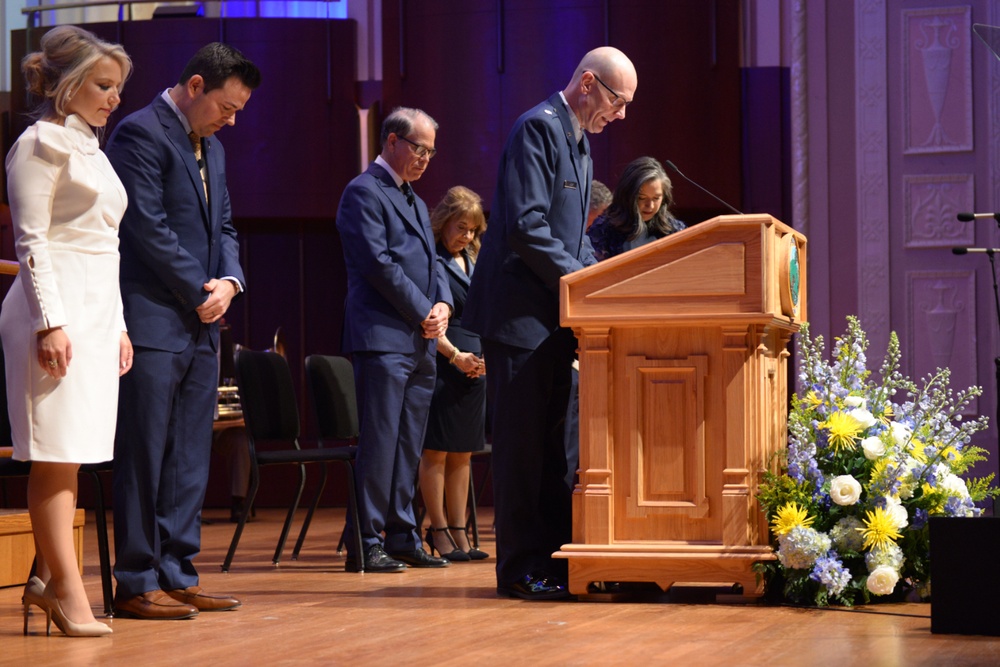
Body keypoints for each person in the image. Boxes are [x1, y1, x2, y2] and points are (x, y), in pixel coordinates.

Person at [465, 46, 637, 600]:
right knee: (521, 450)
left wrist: (602, 280)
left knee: (551, 451)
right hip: (519, 318)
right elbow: (526, 227)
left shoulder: (580, 143)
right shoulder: (536, 130)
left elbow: (574, 240)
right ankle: (520, 569)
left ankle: (556, 561)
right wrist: (581, 283)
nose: (621, 115)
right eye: (618, 100)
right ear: (588, 83)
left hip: (553, 318)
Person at [106, 42, 259, 620]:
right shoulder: (139, 134)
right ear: (195, 86)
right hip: (153, 320)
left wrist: (230, 284)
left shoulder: (212, 148)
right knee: (146, 453)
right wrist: (201, 291)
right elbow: (146, 228)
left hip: (201, 324)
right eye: (227, 105)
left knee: (190, 456)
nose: (232, 119)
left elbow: (225, 226)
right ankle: (136, 580)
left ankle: (178, 573)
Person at [0, 25, 132, 637]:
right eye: (103, 85)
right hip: (50, 312)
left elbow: (108, 246)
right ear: (70, 83)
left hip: (97, 312)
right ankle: (68, 595)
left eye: (117, 88)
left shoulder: (94, 150)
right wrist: (50, 323)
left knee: (73, 457)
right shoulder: (39, 144)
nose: (113, 97)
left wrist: (121, 327)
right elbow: (30, 242)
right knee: (54, 457)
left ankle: (51, 581)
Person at [336, 107, 453, 573]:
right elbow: (378, 264)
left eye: (431, 151)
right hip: (384, 337)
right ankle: (365, 540)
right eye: (418, 148)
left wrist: (442, 304)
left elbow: (435, 264)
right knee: (381, 443)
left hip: (420, 339)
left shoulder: (415, 200)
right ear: (390, 142)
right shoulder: (364, 192)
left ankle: (403, 534)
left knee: (408, 444)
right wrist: (423, 309)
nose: (425, 158)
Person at [418, 186, 489, 562]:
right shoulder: (429, 259)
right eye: (461, 228)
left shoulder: (473, 260)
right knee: (437, 451)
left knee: (463, 452)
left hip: (475, 365)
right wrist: (456, 355)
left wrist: (483, 356)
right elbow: (428, 320)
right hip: (446, 360)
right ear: (444, 223)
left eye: (474, 230)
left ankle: (461, 531)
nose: (467, 236)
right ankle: (438, 529)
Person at [587, 157, 685, 260]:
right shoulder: (603, 230)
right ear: (627, 195)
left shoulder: (675, 230)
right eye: (642, 198)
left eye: (656, 198)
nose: (650, 205)